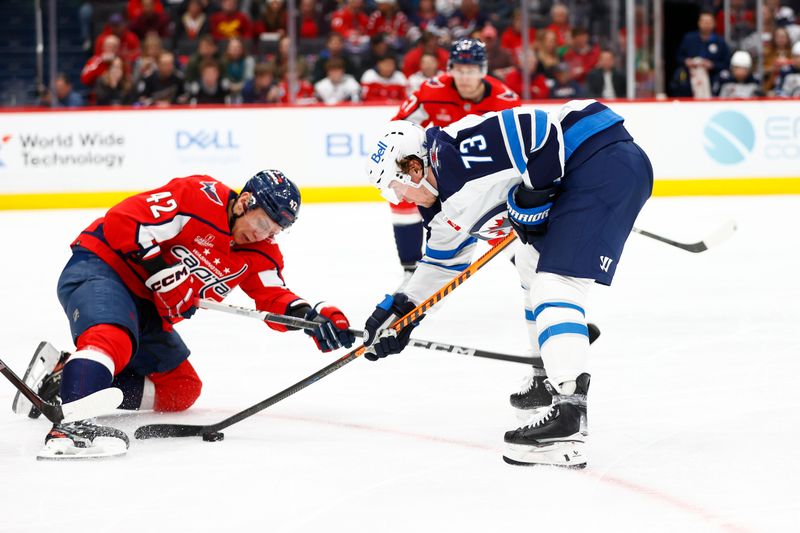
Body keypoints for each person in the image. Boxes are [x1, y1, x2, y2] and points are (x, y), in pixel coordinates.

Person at [363, 100, 653, 467]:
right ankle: (546, 374)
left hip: (600, 158)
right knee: (531, 266)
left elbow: (534, 128)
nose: (399, 199)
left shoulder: (455, 152)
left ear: (414, 167)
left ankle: (568, 416)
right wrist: (402, 311)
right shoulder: (443, 209)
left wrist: (537, 191)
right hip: (595, 170)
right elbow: (440, 265)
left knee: (555, 284)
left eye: (395, 188)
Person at [18, 170, 355, 459]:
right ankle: (70, 430)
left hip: (148, 308)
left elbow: (273, 295)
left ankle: (66, 376)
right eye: (263, 223)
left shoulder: (260, 252)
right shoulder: (197, 197)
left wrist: (313, 317)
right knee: (112, 337)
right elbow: (123, 219)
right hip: (106, 269)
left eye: (274, 231)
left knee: (181, 389)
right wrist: (161, 271)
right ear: (244, 203)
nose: (264, 235)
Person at [391, 38, 519, 280]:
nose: (464, 77)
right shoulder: (431, 91)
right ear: (450, 69)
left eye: (470, 70)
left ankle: (530, 274)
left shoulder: (505, 100)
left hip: (484, 173)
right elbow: (398, 129)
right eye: (459, 70)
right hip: (438, 170)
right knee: (402, 196)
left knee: (502, 218)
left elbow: (516, 146)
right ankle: (410, 271)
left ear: (483, 70)